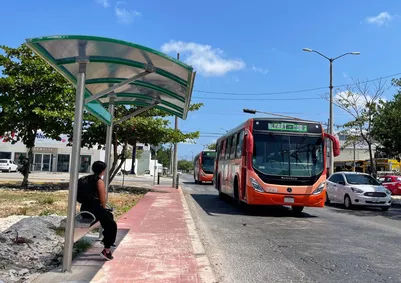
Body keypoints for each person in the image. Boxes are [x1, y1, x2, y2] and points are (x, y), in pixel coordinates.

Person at [80, 161, 117, 260]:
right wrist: (104, 207)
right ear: (103, 170)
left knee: (109, 216)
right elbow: (102, 199)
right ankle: (107, 250)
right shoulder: (99, 181)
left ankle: (106, 239)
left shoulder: (85, 179)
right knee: (112, 225)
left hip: (84, 208)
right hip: (94, 209)